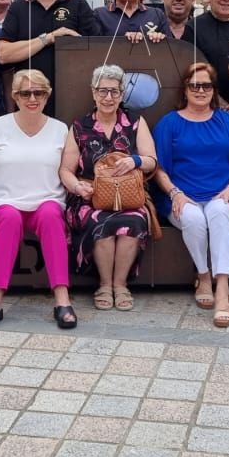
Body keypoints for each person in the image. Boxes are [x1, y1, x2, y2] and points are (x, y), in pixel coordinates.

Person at [0, 69, 75, 331]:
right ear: (15, 96)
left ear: (47, 95)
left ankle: (62, 299)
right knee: (9, 218)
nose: (33, 98)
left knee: (52, 215)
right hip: (4, 200)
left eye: (39, 92)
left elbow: (67, 170)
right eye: (25, 93)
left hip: (46, 199)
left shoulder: (59, 129)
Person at [154, 62, 229, 329]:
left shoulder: (227, 122)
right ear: (185, 89)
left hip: (221, 193)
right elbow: (158, 168)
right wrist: (175, 193)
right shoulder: (169, 123)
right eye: (194, 85)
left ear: (214, 90)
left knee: (219, 212)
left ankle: (222, 288)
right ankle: (203, 275)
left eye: (206, 85)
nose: (200, 90)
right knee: (194, 219)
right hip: (181, 196)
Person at [60, 64, 159, 312]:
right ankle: (104, 284)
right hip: (90, 196)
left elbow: (151, 161)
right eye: (103, 91)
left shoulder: (135, 122)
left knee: (134, 220)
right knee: (97, 219)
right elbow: (65, 170)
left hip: (129, 195)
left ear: (122, 94)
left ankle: (120, 284)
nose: (108, 97)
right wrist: (77, 187)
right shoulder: (80, 126)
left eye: (114, 92)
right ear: (93, 93)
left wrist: (133, 160)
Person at [0, 0, 101, 114]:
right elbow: (3, 55)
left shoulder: (78, 5)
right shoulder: (18, 8)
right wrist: (48, 38)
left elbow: (97, 52)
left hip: (73, 99)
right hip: (29, 100)